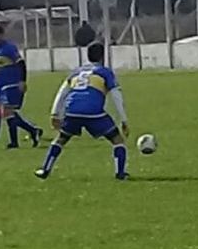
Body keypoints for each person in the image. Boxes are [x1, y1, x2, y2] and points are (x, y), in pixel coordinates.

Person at [35, 42, 129, 181]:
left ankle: (45, 169)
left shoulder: (77, 71)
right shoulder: (105, 72)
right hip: (93, 112)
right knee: (117, 139)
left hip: (72, 110)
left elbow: (62, 92)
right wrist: (123, 120)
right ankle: (120, 173)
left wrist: (55, 113)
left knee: (61, 139)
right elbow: (116, 95)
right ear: (103, 56)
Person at [0, 23, 42, 149]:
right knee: (8, 113)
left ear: (1, 35)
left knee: (7, 111)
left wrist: (22, 81)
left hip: (12, 83)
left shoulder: (9, 48)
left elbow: (21, 64)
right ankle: (33, 131)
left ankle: (15, 142)